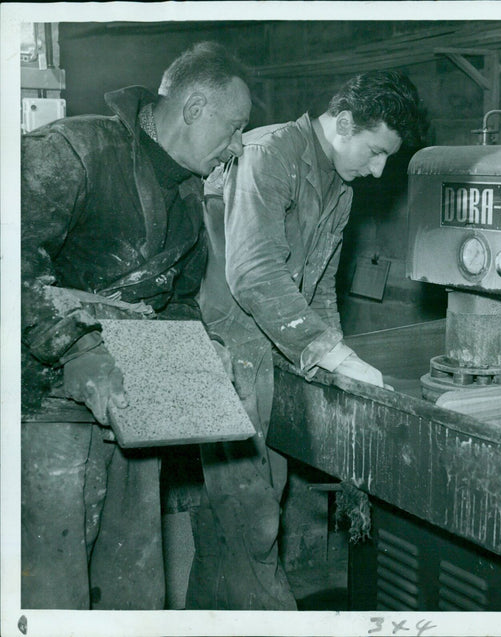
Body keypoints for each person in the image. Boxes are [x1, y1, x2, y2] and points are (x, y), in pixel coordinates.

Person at [20, 41, 251, 609]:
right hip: (42, 407)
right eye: (235, 126)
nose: (239, 144)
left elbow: (175, 300)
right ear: (194, 107)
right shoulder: (73, 150)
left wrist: (199, 353)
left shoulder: (188, 193)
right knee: (53, 586)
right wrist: (79, 352)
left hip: (131, 410)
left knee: (133, 578)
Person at [185, 70, 427, 610]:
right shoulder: (271, 154)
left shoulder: (340, 184)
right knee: (253, 518)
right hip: (225, 348)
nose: (378, 168)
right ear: (343, 124)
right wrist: (327, 351)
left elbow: (319, 286)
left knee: (239, 513)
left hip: (270, 347)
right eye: (374, 151)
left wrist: (340, 358)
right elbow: (252, 274)